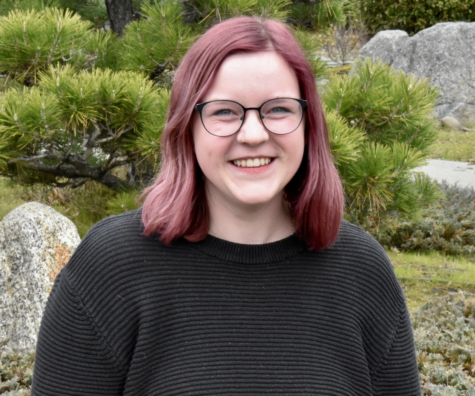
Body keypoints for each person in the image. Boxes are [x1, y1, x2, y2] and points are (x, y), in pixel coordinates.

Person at [31, 17, 421, 395]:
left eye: (279, 109)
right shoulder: (110, 269)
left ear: (308, 124)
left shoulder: (362, 272)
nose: (253, 134)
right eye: (224, 112)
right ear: (187, 127)